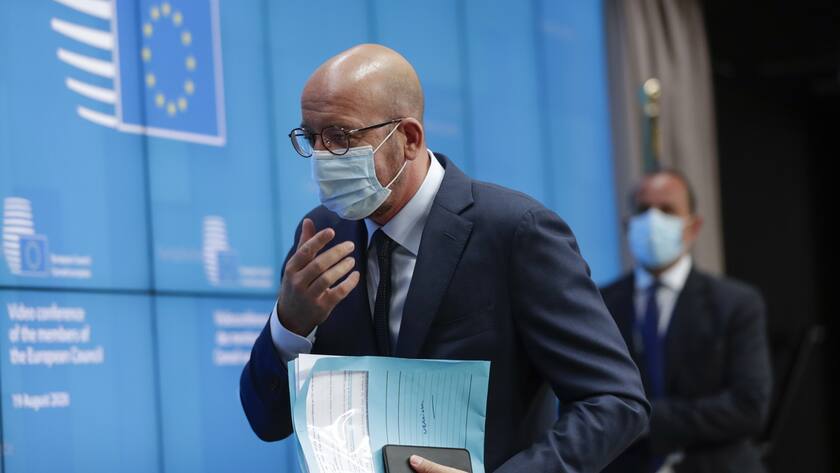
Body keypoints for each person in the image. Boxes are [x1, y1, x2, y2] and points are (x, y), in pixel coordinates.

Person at [239, 43, 649, 473]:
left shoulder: (515, 231)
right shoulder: (322, 233)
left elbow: (615, 401)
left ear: (410, 139)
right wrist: (290, 325)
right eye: (311, 137)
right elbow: (266, 422)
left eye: (340, 137)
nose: (322, 156)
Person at [600, 170, 772, 473]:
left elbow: (749, 405)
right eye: (643, 210)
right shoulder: (600, 304)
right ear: (628, 225)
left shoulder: (736, 303)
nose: (653, 221)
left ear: (693, 227)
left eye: (667, 210)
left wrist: (647, 421)